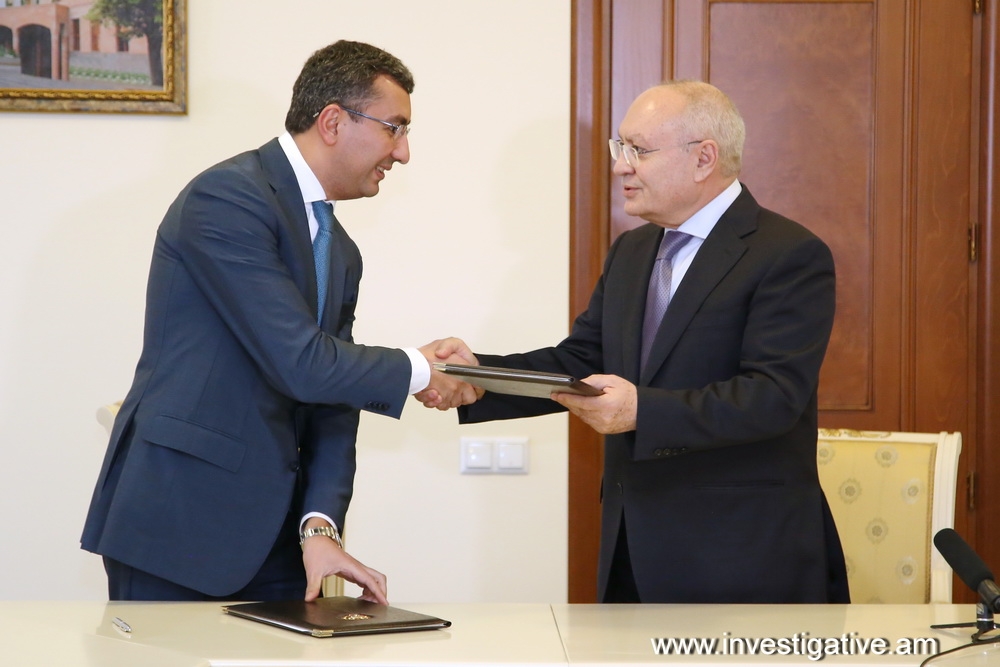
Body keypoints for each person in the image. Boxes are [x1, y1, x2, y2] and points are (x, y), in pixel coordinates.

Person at [421, 80, 849, 604]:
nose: (621, 166)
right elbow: (583, 360)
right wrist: (477, 377)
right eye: (619, 148)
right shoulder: (632, 250)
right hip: (631, 546)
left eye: (638, 150)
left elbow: (772, 396)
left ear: (703, 158)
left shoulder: (787, 253)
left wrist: (641, 411)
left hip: (741, 553)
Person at [81, 40, 477, 603]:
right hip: (178, 526)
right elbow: (301, 362)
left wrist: (320, 526)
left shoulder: (340, 250)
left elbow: (333, 397)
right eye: (395, 128)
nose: (404, 152)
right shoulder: (227, 198)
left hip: (282, 546)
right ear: (333, 121)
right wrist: (419, 369)